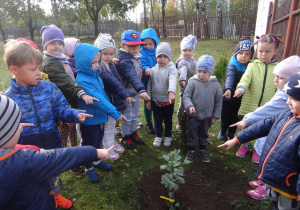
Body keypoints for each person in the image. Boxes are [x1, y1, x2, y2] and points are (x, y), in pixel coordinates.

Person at [3, 39, 92, 209]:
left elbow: (61, 108)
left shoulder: (49, 88)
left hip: (51, 141)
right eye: (33, 69)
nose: (39, 72)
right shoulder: (8, 100)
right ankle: (47, 197)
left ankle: (55, 194)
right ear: (14, 70)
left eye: (39, 67)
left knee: (53, 174)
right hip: (26, 152)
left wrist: (74, 114)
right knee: (33, 181)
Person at [0, 95, 114, 210]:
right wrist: (95, 152)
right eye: (16, 127)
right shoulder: (26, 161)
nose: (20, 128)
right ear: (6, 133)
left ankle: (56, 194)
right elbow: (62, 157)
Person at [218, 73, 300, 210]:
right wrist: (237, 139)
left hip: (290, 188)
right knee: (276, 204)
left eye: (293, 98)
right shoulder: (288, 114)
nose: (287, 102)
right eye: (287, 97)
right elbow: (263, 126)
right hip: (278, 180)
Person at [74, 43, 126, 182]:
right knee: (89, 144)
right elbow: (98, 100)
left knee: (97, 141)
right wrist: (114, 113)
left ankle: (96, 160)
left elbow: (104, 96)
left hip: (100, 117)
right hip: (90, 119)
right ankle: (88, 166)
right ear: (83, 63)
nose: (97, 65)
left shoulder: (95, 75)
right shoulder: (83, 81)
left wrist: (110, 111)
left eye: (98, 62)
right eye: (93, 63)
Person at [233, 34, 281, 159]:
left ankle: (258, 149)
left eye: (267, 51)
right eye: (260, 51)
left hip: (267, 105)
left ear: (275, 51)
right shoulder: (252, 65)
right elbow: (245, 79)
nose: (263, 54)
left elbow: (279, 86)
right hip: (251, 103)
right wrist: (241, 89)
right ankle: (244, 144)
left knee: (264, 128)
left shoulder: (277, 68)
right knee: (247, 125)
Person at [94, 33, 134, 160]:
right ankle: (107, 148)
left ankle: (110, 143)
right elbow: (114, 83)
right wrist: (125, 94)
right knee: (107, 125)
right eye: (105, 54)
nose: (109, 57)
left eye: (111, 54)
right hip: (108, 101)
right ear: (98, 52)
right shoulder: (101, 68)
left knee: (111, 125)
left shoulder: (109, 63)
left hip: (112, 100)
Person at [115, 29, 151, 149]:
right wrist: (141, 89)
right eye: (131, 47)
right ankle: (126, 136)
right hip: (127, 94)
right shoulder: (124, 60)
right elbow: (132, 75)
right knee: (128, 115)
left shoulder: (135, 57)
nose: (135, 49)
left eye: (137, 46)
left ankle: (133, 133)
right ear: (122, 46)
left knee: (135, 114)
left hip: (134, 92)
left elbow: (136, 72)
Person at [183, 55, 223, 162]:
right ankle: (190, 150)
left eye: (204, 72)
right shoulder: (193, 82)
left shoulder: (216, 85)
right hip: (194, 116)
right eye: (199, 71)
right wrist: (189, 106)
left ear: (210, 72)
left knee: (204, 133)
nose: (201, 74)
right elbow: (186, 95)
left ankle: (203, 149)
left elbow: (219, 101)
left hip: (207, 117)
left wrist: (215, 116)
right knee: (191, 133)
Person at [218, 39, 254, 141]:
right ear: (236, 53)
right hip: (228, 96)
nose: (243, 56)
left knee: (236, 116)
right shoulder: (232, 65)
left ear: (250, 56)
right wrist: (228, 88)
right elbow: (230, 76)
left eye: (247, 54)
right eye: (241, 53)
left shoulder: (250, 66)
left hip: (241, 97)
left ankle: (231, 133)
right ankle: (222, 131)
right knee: (226, 116)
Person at [146, 42, 177, 147]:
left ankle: (168, 136)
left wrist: (171, 92)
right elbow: (149, 85)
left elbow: (173, 79)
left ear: (169, 57)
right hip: (155, 101)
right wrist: (148, 100)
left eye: (165, 56)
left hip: (168, 101)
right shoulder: (153, 70)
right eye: (159, 56)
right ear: (156, 57)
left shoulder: (172, 68)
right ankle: (158, 136)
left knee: (168, 120)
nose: (162, 59)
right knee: (157, 121)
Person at [140, 28, 160, 134]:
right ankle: (148, 122)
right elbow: (142, 62)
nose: (147, 46)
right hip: (146, 80)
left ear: (155, 42)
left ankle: (158, 121)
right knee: (148, 101)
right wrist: (146, 68)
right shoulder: (141, 52)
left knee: (157, 101)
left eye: (150, 44)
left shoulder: (158, 51)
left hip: (157, 80)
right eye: (145, 43)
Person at [176, 35, 198, 130]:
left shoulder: (193, 61)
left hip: (194, 87)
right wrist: (183, 80)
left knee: (191, 104)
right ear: (181, 51)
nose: (187, 52)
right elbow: (183, 71)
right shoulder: (182, 62)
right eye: (185, 50)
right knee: (183, 106)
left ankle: (190, 120)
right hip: (185, 88)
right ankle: (180, 122)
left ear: (193, 51)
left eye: (190, 50)